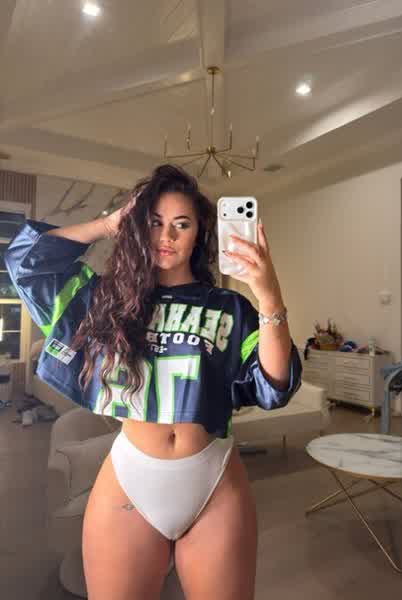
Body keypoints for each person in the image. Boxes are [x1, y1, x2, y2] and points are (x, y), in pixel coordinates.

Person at [5, 164, 302, 599]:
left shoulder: (229, 306)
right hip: (131, 477)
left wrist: (269, 294)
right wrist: (108, 224)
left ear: (199, 234)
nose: (167, 236)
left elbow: (275, 384)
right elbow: (27, 262)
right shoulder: (107, 300)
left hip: (215, 479)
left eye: (182, 224)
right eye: (155, 222)